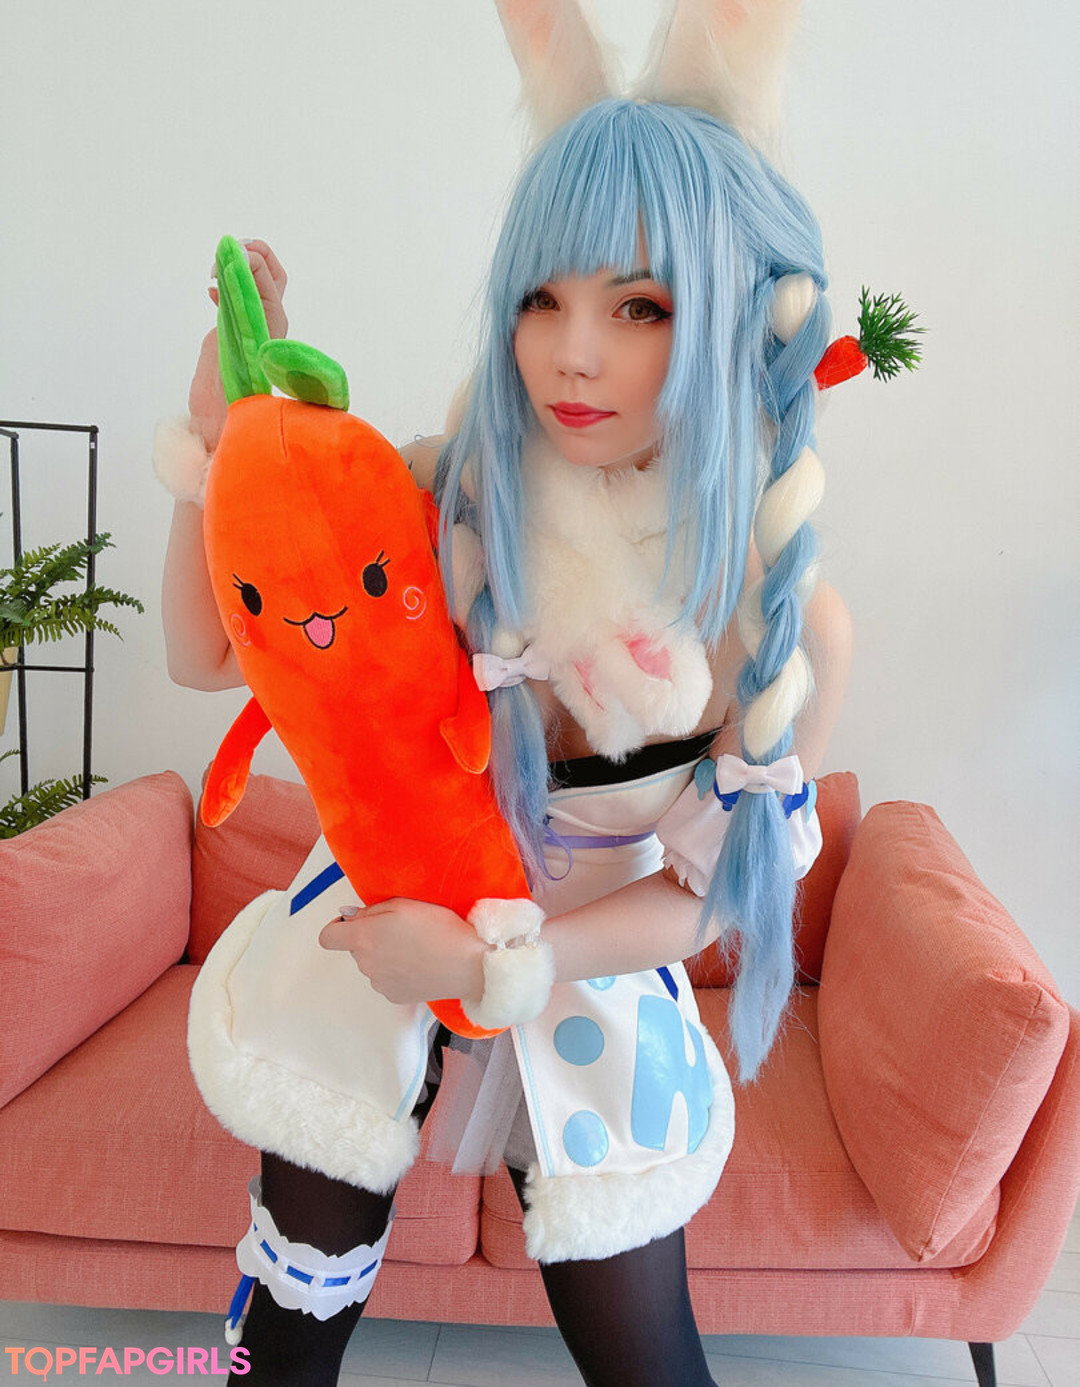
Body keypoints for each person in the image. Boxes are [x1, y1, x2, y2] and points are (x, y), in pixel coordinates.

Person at [159, 6, 852, 1384]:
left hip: (586, 973)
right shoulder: (449, 500)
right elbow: (206, 657)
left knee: (649, 1361)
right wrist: (222, 430)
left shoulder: (774, 614)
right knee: (282, 1342)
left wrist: (493, 969)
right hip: (367, 940)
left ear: (725, 315)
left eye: (639, 306)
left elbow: (713, 892)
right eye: (542, 297)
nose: (572, 353)